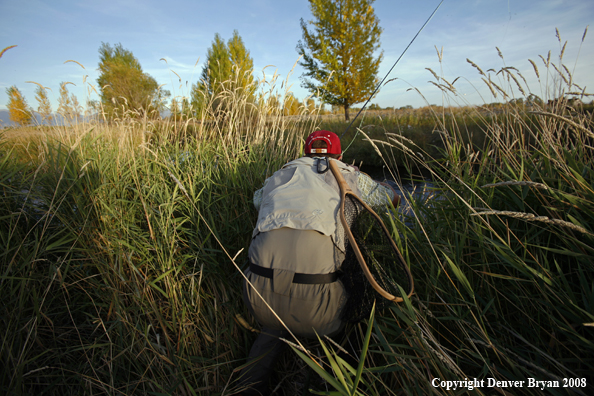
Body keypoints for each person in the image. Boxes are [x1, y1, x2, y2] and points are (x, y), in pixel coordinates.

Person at [235, 130, 399, 395]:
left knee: (276, 317)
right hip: (321, 316)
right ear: (340, 155)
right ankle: (332, 376)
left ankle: (247, 387)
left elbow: (258, 201)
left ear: (305, 151)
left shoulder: (278, 176)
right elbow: (392, 199)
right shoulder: (349, 176)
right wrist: (364, 179)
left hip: (258, 300)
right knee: (352, 294)